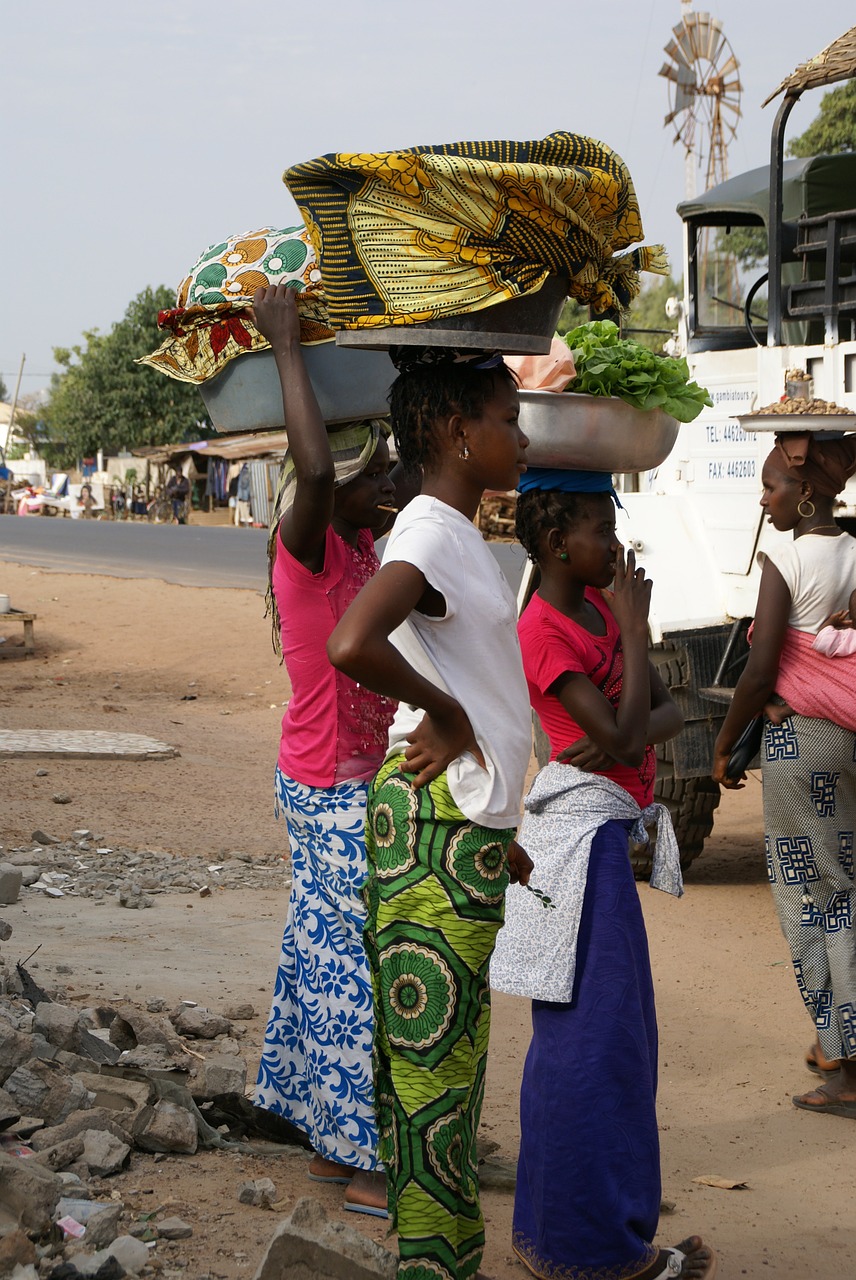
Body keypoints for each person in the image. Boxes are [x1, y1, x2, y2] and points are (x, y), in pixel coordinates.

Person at [326, 347, 535, 1280]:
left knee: (444, 1074)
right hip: (430, 825)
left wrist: (500, 833)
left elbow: (480, 681)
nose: (521, 436)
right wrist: (447, 715)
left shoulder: (459, 532)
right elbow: (351, 640)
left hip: (457, 831)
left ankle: (446, 1263)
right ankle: (431, 1267)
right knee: (429, 1080)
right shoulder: (431, 532)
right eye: (507, 416)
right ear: (458, 432)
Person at [490, 471, 717, 1280]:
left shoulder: (594, 614)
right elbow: (629, 740)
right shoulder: (547, 630)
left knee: (605, 1043)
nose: (613, 545)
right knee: (595, 1048)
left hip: (600, 843)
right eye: (597, 528)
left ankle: (562, 1236)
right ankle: (598, 1250)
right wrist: (634, 629)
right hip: (579, 847)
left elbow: (666, 716)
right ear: (556, 544)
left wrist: (627, 695)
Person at [251, 283, 405, 1215]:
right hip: (326, 788)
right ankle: (364, 1159)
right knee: (353, 971)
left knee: (321, 953)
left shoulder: (360, 548)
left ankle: (324, 1143)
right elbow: (311, 472)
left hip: (338, 782)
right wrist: (285, 346)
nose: (389, 484)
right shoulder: (303, 548)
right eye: (374, 471)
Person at [712, 431, 856, 1118]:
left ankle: (842, 1065)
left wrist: (726, 738)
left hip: (801, 745)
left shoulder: (785, 557)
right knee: (849, 892)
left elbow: (761, 667)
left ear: (803, 494)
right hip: (850, 741)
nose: (764, 499)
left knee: (810, 902)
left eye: (770, 487)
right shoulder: (855, 552)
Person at [235, 463, 252, 527]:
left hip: (240, 495)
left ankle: (242, 522)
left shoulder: (241, 473)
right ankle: (246, 523)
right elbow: (244, 484)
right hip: (244, 496)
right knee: (245, 510)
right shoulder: (246, 474)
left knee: (241, 510)